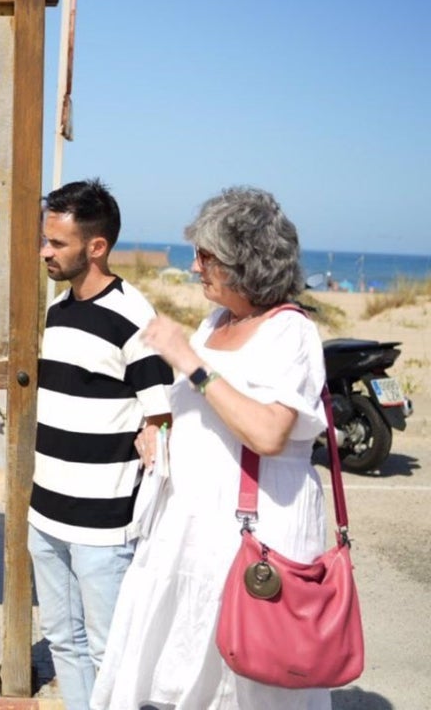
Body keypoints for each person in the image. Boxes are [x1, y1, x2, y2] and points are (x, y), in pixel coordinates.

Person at [92, 187, 330, 710]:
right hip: (191, 532)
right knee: (182, 681)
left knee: (239, 680)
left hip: (252, 535)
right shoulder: (218, 322)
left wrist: (191, 363)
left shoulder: (289, 332)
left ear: (245, 262)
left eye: (206, 255)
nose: (195, 265)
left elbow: (268, 432)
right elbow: (206, 412)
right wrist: (162, 433)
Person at [30, 179, 173, 710]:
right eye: (45, 239)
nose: (45, 251)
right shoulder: (56, 311)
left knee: (110, 653)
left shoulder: (134, 318)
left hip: (104, 528)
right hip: (44, 515)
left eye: (56, 243)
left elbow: (162, 418)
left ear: (96, 246)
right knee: (64, 643)